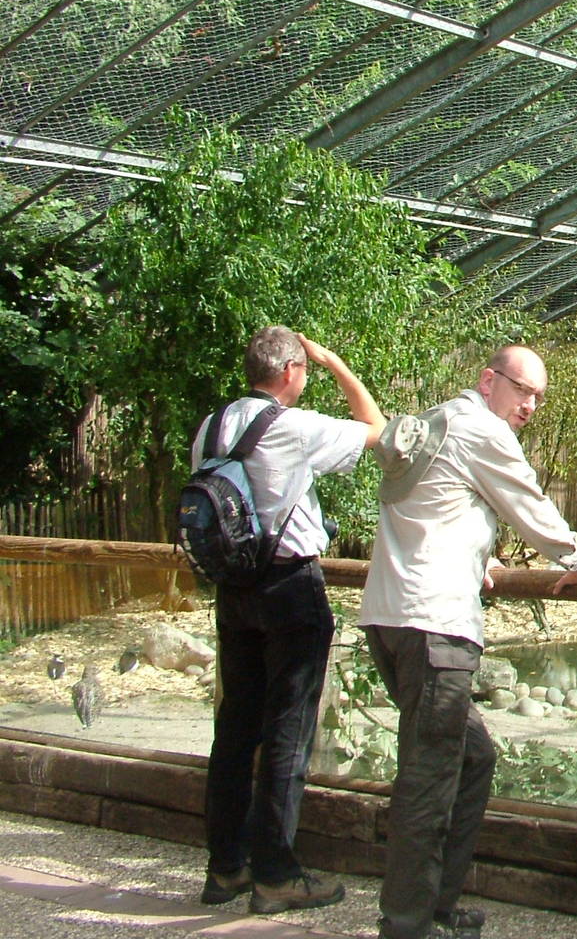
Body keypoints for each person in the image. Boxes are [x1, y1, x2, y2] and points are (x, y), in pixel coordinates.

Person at [360, 344, 577, 939]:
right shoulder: (479, 428)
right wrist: (573, 557)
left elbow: (436, 509)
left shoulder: (432, 425)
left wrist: (478, 558)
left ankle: (434, 907)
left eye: (538, 396)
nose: (530, 405)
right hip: (435, 628)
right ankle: (406, 925)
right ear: (488, 380)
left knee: (472, 757)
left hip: (390, 618)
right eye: (523, 390)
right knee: (428, 777)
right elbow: (524, 498)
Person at [195, 326, 384, 913]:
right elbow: (375, 429)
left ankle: (225, 867)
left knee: (235, 728)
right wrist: (334, 362)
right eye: (304, 368)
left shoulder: (212, 425)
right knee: (288, 731)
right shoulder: (293, 427)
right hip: (289, 589)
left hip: (234, 587)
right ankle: (277, 873)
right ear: (291, 373)